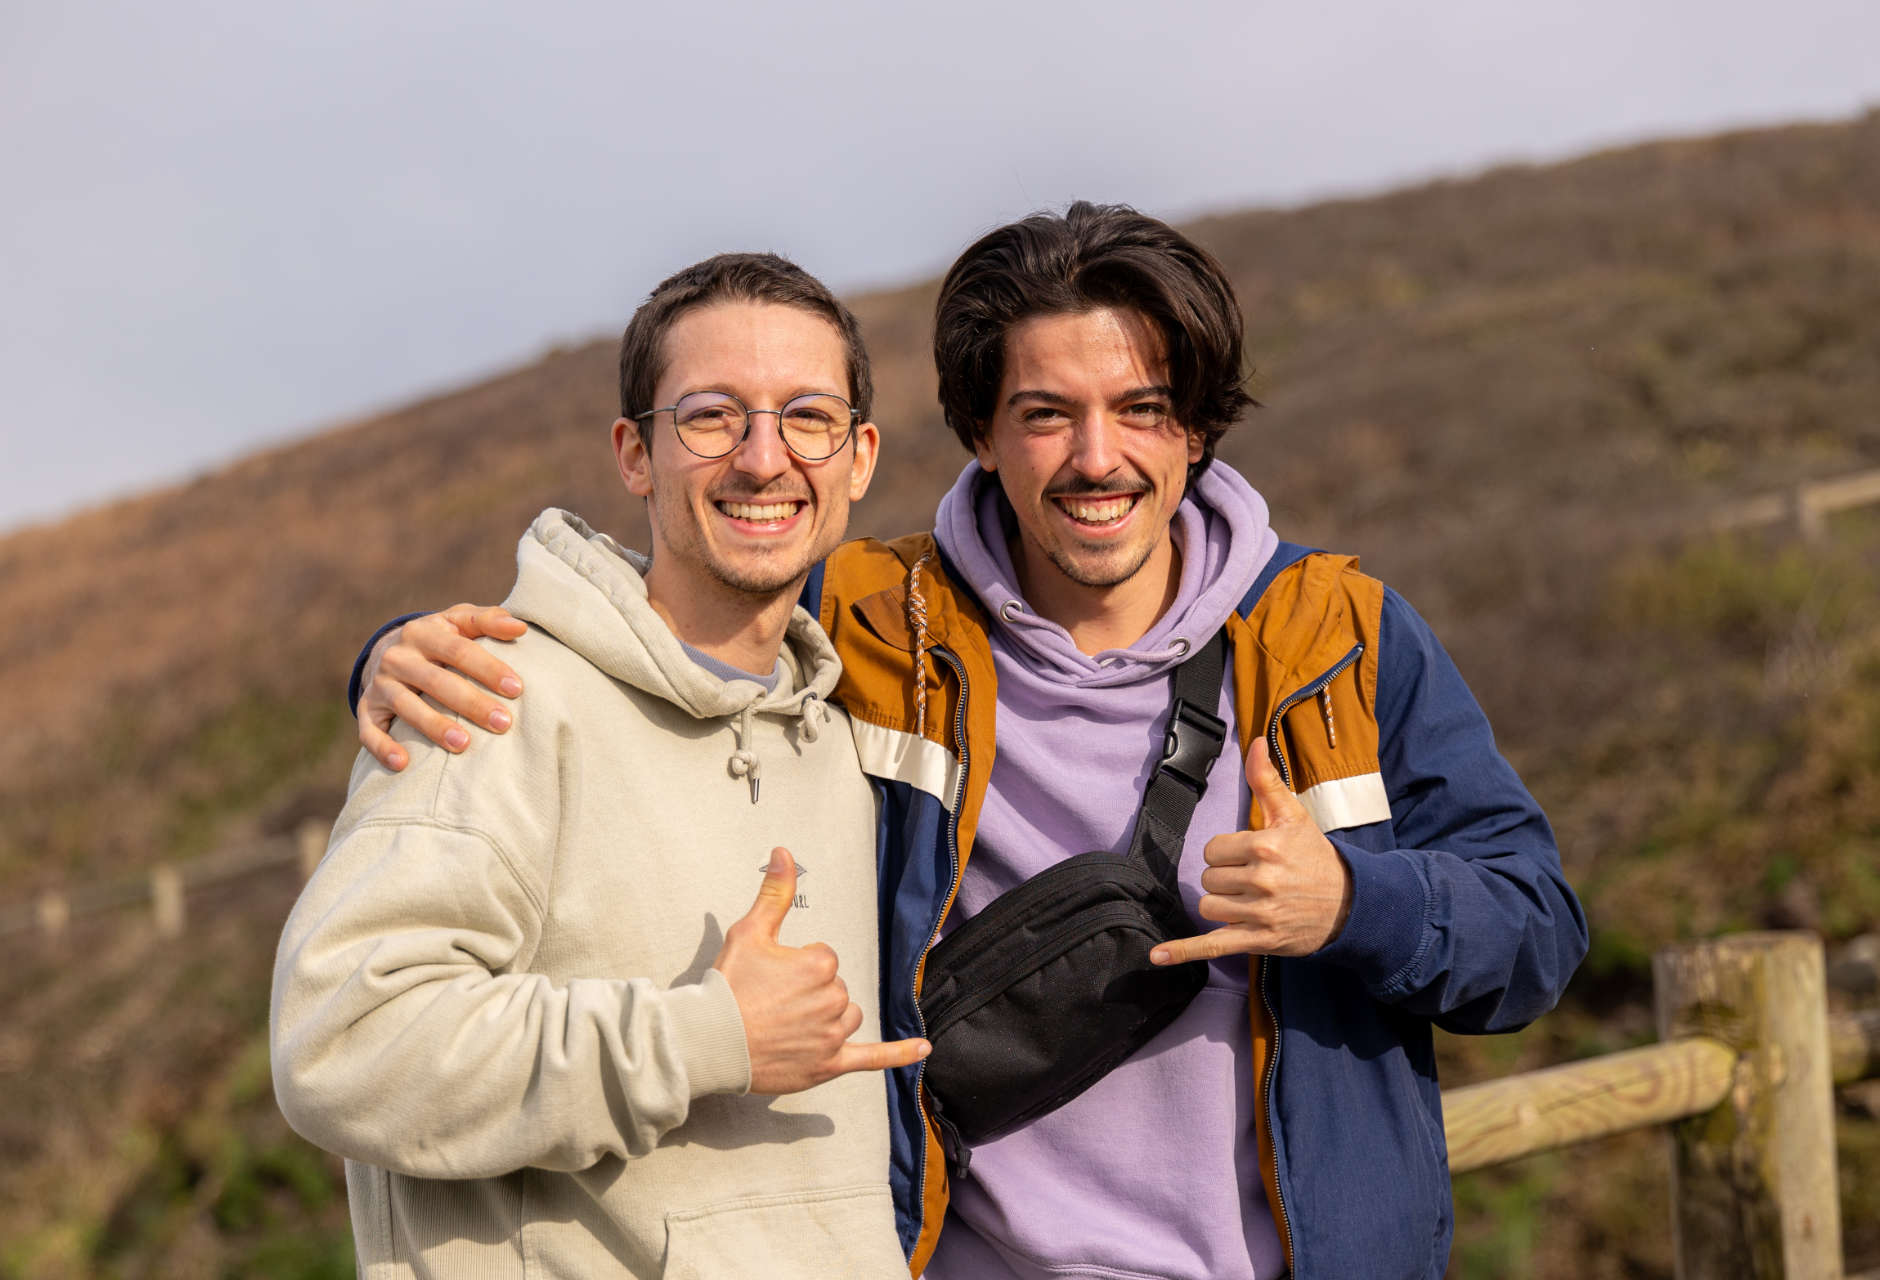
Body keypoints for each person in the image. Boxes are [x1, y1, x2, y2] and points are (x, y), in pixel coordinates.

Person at [351, 203, 1588, 1280]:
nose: (1097, 457)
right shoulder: (882, 625)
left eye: (1142, 410)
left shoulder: (1343, 637)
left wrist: (1353, 899)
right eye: (1046, 413)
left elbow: (1537, 930)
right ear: (981, 432)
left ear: (1198, 431)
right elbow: (673, 601)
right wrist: (409, 651)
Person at [271, 252, 931, 1280]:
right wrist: (702, 1035)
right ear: (634, 452)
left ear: (859, 456)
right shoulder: (493, 700)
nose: (765, 459)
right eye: (711, 416)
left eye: (808, 416)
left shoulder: (849, 738)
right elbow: (344, 1041)